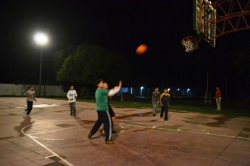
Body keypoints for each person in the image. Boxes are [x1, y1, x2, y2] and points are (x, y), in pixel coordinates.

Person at [88, 80, 122, 144]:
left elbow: (109, 94)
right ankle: (108, 139)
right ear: (98, 85)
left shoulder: (97, 91)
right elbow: (111, 93)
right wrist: (118, 88)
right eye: (101, 83)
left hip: (99, 110)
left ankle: (91, 133)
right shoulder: (102, 91)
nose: (103, 83)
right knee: (108, 123)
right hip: (104, 110)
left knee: (98, 122)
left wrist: (114, 88)